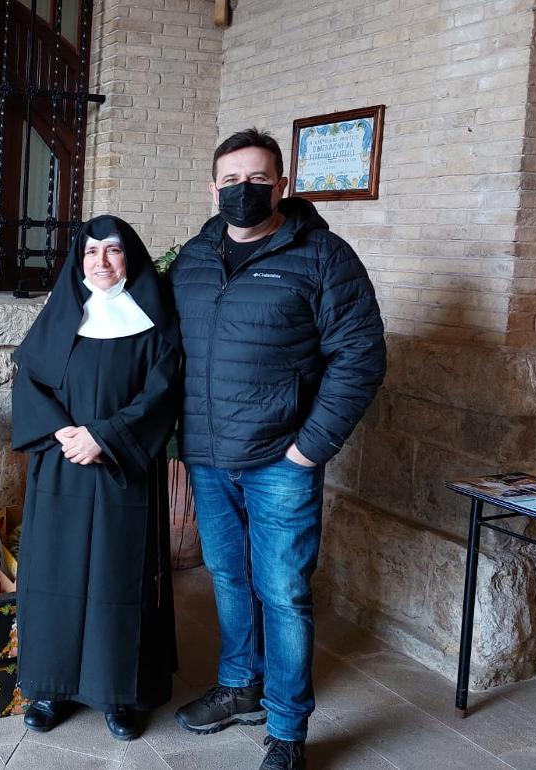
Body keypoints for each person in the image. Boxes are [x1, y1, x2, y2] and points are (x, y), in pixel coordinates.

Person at [169, 128, 386, 770]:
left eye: (257, 179)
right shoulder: (194, 258)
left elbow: (361, 355)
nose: (243, 191)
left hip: (280, 461)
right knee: (230, 578)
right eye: (230, 181)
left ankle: (287, 730)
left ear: (282, 185)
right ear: (213, 188)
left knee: (283, 590)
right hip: (209, 457)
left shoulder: (322, 256)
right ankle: (240, 687)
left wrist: (309, 448)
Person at [11, 214, 183, 741]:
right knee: (55, 577)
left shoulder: (155, 323)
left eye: (112, 251)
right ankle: (51, 687)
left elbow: (162, 393)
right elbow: (29, 383)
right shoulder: (61, 315)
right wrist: (64, 432)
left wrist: (103, 438)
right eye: (90, 252)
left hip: (121, 471)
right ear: (78, 260)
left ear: (129, 257)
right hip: (61, 470)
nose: (101, 262)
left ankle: (120, 693)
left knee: (119, 578)